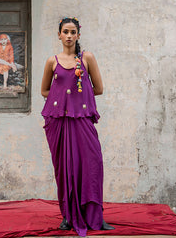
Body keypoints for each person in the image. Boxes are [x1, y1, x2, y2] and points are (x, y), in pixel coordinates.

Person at [41, 17, 115, 236]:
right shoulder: (52, 61)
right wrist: (63, 99)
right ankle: (67, 216)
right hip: (60, 122)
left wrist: (76, 98)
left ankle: (95, 217)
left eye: (73, 32)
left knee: (92, 164)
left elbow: (98, 89)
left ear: (78, 35)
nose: (69, 36)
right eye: (65, 32)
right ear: (59, 35)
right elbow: (45, 91)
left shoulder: (87, 58)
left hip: (82, 120)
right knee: (65, 169)